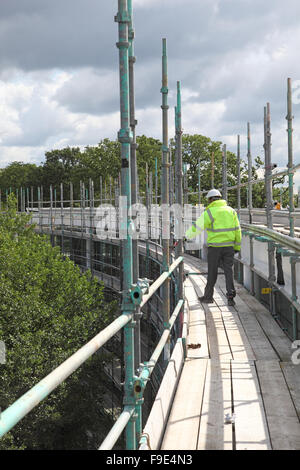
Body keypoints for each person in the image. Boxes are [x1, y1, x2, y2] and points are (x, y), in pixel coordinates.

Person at [185, 189, 241, 306]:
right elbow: (237, 230)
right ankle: (230, 297)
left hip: (215, 248)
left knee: (212, 272)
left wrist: (186, 236)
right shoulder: (231, 211)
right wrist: (237, 246)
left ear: (211, 200)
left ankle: (208, 297)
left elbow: (197, 227)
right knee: (228, 271)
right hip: (229, 247)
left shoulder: (209, 212)